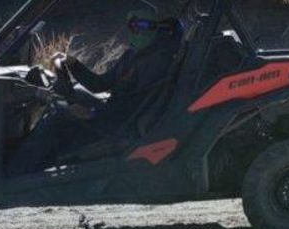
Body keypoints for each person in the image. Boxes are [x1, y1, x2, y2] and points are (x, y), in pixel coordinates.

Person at [10, 11, 183, 174]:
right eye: (133, 26)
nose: (136, 31)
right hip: (113, 114)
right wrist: (73, 63)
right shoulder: (132, 55)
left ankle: (15, 175)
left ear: (157, 30)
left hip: (120, 125)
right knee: (74, 93)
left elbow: (135, 105)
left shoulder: (159, 61)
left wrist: (92, 114)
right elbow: (100, 84)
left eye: (143, 25)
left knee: (57, 118)